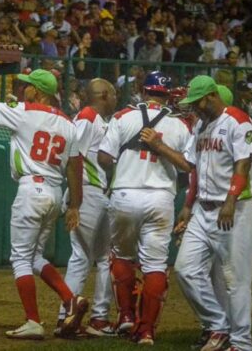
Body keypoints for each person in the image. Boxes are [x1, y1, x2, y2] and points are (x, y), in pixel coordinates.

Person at [0, 64, 87, 340]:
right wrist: (74, 206)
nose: (23, 89)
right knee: (34, 256)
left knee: (20, 259)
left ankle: (34, 320)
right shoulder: (69, 124)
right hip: (55, 193)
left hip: (31, 190)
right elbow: (75, 167)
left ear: (38, 91)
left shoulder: (24, 112)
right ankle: (71, 300)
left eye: (27, 85)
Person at [97, 71, 192, 345]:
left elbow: (104, 157)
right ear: (167, 94)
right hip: (160, 198)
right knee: (155, 266)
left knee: (122, 257)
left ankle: (126, 316)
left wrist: (121, 165)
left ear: (143, 90)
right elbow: (188, 166)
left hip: (125, 194)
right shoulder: (180, 125)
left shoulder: (123, 116)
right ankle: (147, 330)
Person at [172, 75, 252, 351]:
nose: (194, 107)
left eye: (197, 101)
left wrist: (231, 200)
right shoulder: (200, 125)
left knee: (235, 278)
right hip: (203, 208)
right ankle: (218, 325)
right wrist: (187, 205)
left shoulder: (238, 120)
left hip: (234, 209)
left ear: (210, 96)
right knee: (185, 269)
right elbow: (194, 169)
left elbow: (242, 165)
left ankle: (242, 343)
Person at [60, 78, 118, 337]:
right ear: (104, 95)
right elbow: (73, 157)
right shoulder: (87, 116)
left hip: (97, 194)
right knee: (82, 255)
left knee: (106, 257)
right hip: (86, 193)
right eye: (114, 94)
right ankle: (66, 316)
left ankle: (99, 319)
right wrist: (75, 201)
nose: (117, 98)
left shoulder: (101, 121)